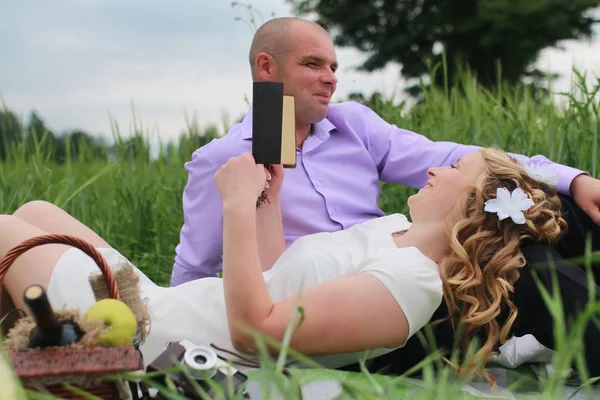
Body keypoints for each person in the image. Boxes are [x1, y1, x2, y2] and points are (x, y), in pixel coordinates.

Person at [0, 148, 579, 382]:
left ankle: (59, 359)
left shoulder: (410, 286)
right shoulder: (391, 233)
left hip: (165, 344)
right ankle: (31, 356)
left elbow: (257, 333)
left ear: (473, 205)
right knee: (37, 210)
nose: (434, 170)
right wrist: (265, 201)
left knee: (5, 230)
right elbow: (281, 277)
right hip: (172, 307)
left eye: (454, 169)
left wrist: (230, 208)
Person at [170, 16, 600, 286]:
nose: (330, 78)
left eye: (334, 67)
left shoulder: (352, 124)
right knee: (525, 266)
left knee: (558, 210)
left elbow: (453, 155)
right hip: (348, 296)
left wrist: (573, 178)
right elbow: (196, 266)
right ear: (267, 68)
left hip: (407, 259)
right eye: (313, 64)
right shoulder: (226, 159)